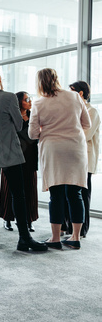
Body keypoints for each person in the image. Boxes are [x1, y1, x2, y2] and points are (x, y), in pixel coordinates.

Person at [0, 69, 46, 251]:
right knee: (18, 194)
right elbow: (18, 124)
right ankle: (24, 238)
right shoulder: (8, 97)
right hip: (7, 150)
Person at [29, 69, 91, 250]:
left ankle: (55, 238)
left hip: (53, 150)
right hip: (75, 149)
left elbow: (33, 134)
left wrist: (49, 129)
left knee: (55, 195)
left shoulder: (39, 102)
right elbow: (86, 124)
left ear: (39, 82)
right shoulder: (74, 97)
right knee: (75, 193)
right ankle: (75, 237)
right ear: (57, 79)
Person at [62, 81, 100, 238]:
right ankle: (68, 227)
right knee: (68, 194)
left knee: (83, 195)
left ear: (81, 93)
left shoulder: (92, 111)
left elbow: (84, 135)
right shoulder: (72, 110)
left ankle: (81, 230)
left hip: (84, 159)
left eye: (71, 91)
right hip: (70, 157)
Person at [0, 92, 39, 233]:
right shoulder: (10, 116)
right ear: (18, 102)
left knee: (29, 187)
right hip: (11, 155)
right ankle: (7, 218)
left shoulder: (34, 116)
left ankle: (29, 220)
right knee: (9, 188)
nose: (30, 101)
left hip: (30, 156)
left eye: (30, 99)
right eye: (26, 99)